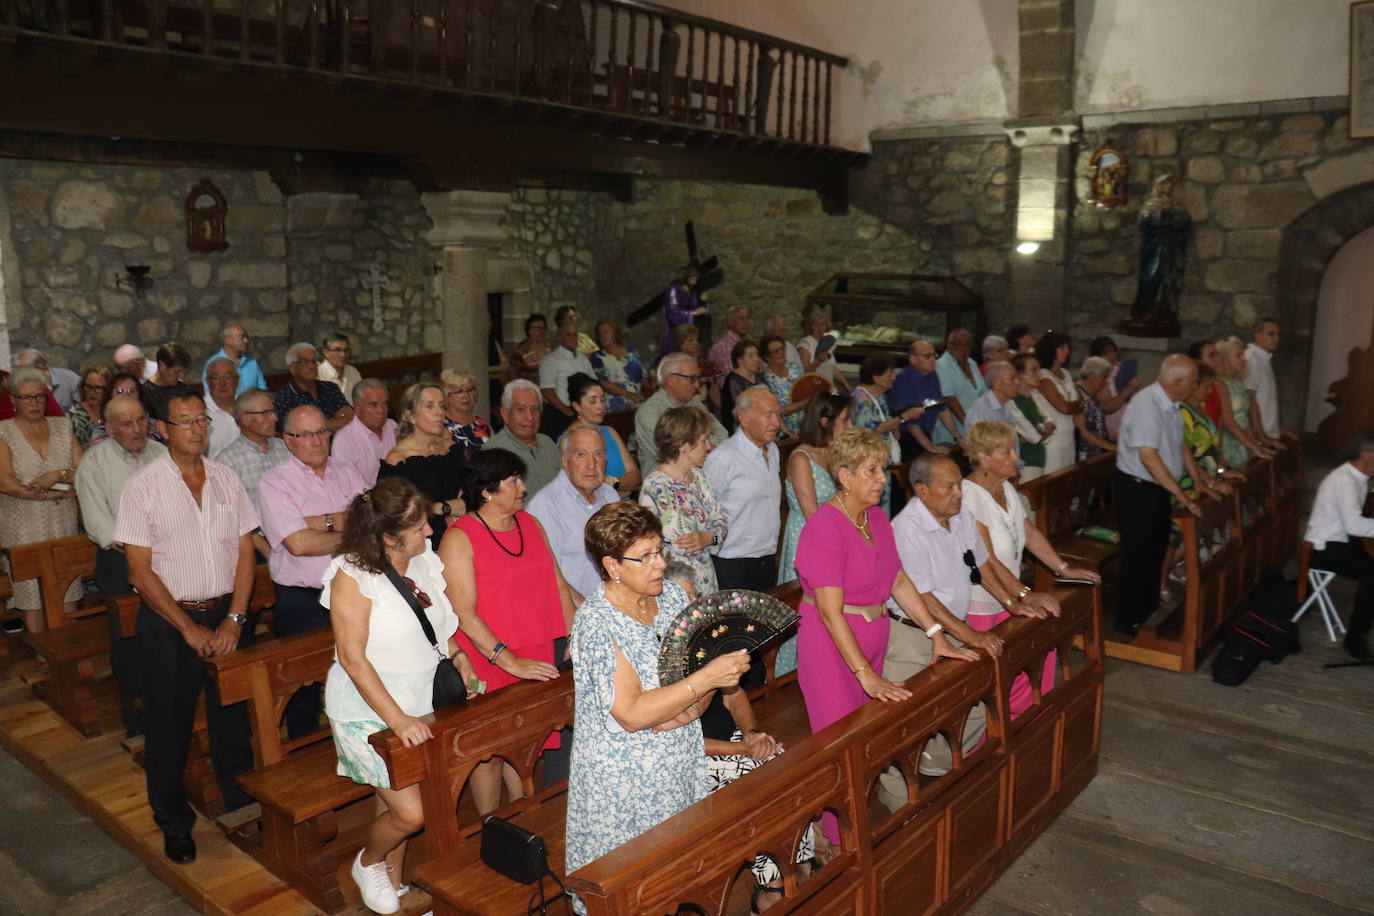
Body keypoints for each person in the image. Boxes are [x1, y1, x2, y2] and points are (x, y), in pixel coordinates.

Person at [794, 429, 975, 847]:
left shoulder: (874, 517)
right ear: (844, 475)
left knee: (869, 742)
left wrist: (935, 633)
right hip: (831, 649)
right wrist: (864, 675)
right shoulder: (825, 527)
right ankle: (837, 846)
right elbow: (827, 610)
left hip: (872, 638)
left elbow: (897, 579)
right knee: (843, 747)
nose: (880, 478)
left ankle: (851, 827)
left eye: (881, 468)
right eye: (870, 470)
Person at [565, 501, 750, 872]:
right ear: (612, 565)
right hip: (627, 781)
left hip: (679, 763)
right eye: (645, 557)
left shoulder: (671, 598)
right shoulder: (597, 625)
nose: (661, 564)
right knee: (632, 886)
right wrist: (706, 680)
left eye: (659, 550)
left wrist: (690, 707)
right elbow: (631, 714)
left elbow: (692, 681)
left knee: (679, 876)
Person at [113, 392, 257, 865]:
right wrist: (188, 630)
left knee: (232, 720)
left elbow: (244, 553)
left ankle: (240, 806)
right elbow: (139, 572)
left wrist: (235, 618)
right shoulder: (144, 487)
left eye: (202, 420)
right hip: (167, 621)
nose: (196, 429)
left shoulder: (226, 479)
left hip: (225, 614)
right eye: (185, 422)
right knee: (168, 726)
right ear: (162, 429)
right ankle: (174, 823)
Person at [323, 477, 477, 915]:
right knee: (412, 813)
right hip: (366, 712)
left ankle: (397, 886)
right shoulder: (352, 576)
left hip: (419, 701)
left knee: (392, 795)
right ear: (388, 537)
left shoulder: (424, 560)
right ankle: (367, 862)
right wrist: (397, 720)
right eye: (418, 528)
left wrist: (460, 655)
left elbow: (437, 627)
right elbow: (353, 660)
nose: (429, 533)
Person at [439, 448, 577, 811]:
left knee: (529, 740)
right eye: (513, 480)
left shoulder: (530, 524)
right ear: (487, 490)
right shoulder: (459, 537)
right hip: (489, 656)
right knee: (491, 752)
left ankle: (525, 817)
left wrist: (572, 635)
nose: (523, 487)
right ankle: (491, 823)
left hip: (535, 648)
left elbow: (558, 584)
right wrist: (510, 661)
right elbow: (463, 615)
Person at [961, 422, 1100, 716]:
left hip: (1009, 595)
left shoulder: (1007, 488)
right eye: (1007, 452)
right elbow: (988, 559)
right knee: (998, 681)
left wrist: (1064, 569)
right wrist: (1024, 594)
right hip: (982, 604)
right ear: (984, 458)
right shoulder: (970, 496)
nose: (1016, 457)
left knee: (1030, 661)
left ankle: (1029, 729)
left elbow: (1030, 534)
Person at [259, 405, 369, 739]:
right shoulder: (274, 483)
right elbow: (299, 544)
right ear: (288, 441)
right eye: (306, 435)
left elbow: (370, 524)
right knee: (303, 687)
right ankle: (305, 756)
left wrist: (320, 522)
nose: (318, 441)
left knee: (363, 671)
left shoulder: (348, 472)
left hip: (355, 591)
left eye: (322, 431)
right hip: (304, 600)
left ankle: (364, 741)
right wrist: (343, 523)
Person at [74, 395, 166, 736]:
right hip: (121, 562)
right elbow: (101, 525)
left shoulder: (162, 455)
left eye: (142, 420)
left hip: (169, 559)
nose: (137, 429)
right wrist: (147, 547)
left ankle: (173, 706)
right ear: (109, 428)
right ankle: (136, 718)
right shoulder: (94, 464)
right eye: (126, 424)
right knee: (130, 642)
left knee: (170, 634)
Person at [1114, 355, 1203, 637]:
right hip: (1138, 489)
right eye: (1193, 380)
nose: (1196, 385)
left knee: (1155, 552)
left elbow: (1179, 445)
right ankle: (1128, 621)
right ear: (1177, 381)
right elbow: (1148, 456)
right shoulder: (1147, 404)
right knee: (1138, 555)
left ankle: (1148, 611)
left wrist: (1201, 481)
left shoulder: (1172, 404)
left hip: (1156, 490)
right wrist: (1181, 494)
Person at [0, 367, 83, 634]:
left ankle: (68, 650)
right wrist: (51, 493)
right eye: (26, 398)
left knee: (66, 586)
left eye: (39, 397)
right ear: (12, 400)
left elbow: (83, 470)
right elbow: (6, 482)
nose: (34, 403)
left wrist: (56, 475)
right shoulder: (4, 433)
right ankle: (42, 656)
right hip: (23, 524)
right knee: (31, 593)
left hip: (62, 521)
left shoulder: (62, 426)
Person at [773, 393, 852, 676]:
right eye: (845, 419)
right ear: (824, 421)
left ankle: (825, 668)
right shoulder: (800, 458)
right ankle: (788, 675)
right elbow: (812, 513)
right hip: (808, 538)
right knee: (803, 612)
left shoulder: (836, 454)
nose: (850, 424)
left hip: (834, 536)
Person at [639, 406, 728, 594]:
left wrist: (707, 538)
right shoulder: (654, 487)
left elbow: (721, 524)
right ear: (683, 446)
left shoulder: (700, 477)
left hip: (706, 578)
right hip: (675, 587)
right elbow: (648, 547)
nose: (709, 446)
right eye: (703, 440)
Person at [704, 387, 783, 591]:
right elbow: (704, 510)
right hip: (732, 564)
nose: (776, 422)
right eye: (768, 415)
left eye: (778, 414)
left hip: (766, 559)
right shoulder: (723, 458)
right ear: (745, 418)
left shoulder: (773, 451)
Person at [527, 426, 620, 598]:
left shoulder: (610, 495)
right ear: (565, 461)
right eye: (581, 455)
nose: (592, 465)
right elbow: (548, 578)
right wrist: (588, 615)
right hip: (577, 613)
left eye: (598, 454)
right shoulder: (545, 506)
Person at [1305, 431, 1374, 660]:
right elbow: (1354, 526)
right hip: (1322, 549)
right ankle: (1355, 637)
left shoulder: (1356, 475)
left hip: (1338, 542)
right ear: (1366, 454)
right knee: (1371, 572)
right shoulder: (1345, 481)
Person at [378, 383, 467, 549]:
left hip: (463, 535)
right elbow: (396, 516)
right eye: (429, 406)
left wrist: (440, 508)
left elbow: (473, 497)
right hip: (423, 546)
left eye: (442, 406)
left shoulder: (451, 449)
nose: (439, 412)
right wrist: (451, 508)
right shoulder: (398, 461)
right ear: (410, 415)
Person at [851, 355, 926, 513]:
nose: (893, 378)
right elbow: (872, 431)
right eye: (889, 374)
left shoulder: (881, 397)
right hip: (867, 461)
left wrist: (896, 425)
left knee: (883, 509)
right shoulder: (861, 398)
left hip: (882, 461)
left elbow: (888, 426)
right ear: (876, 377)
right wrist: (905, 417)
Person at [634, 353, 728, 469]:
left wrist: (702, 446)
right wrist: (711, 448)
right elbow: (671, 454)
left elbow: (722, 434)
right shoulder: (649, 412)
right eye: (692, 379)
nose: (697, 385)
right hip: (666, 483)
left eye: (697, 379)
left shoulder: (694, 403)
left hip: (704, 474)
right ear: (671, 379)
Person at [1127, 173, 1191, 331]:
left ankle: (1164, 312)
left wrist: (1172, 215)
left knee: (1168, 282)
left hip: (1171, 250)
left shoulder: (1177, 205)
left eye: (1169, 184)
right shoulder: (1150, 205)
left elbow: (1185, 222)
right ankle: (1145, 311)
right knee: (1151, 278)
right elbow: (1143, 224)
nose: (1167, 187)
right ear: (1157, 186)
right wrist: (1159, 214)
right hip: (1154, 249)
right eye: (1163, 184)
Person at [214, 388, 289, 518]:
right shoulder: (227, 462)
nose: (275, 418)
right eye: (266, 413)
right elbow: (227, 516)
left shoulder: (286, 447)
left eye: (273, 412)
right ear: (245, 419)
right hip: (257, 535)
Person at [482, 379, 561, 497]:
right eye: (521, 409)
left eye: (535, 409)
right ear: (505, 414)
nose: (530, 417)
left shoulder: (547, 442)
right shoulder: (493, 452)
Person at [566, 372, 639, 497]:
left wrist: (611, 482)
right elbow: (581, 491)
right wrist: (620, 489)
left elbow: (635, 476)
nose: (600, 406)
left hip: (625, 507)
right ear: (577, 406)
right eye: (593, 401)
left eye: (602, 400)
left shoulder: (610, 431)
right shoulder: (568, 439)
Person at [890, 339, 957, 458]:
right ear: (913, 358)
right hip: (906, 438)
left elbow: (941, 407)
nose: (933, 360)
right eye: (927, 356)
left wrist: (957, 436)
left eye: (934, 355)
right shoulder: (903, 380)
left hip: (925, 435)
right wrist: (929, 446)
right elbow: (911, 421)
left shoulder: (932, 375)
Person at [1215, 336, 1275, 470]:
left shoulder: (1237, 383)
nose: (1244, 358)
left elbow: (1244, 420)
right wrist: (1254, 447)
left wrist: (1256, 446)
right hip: (1227, 444)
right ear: (1225, 358)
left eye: (1243, 354)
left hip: (1242, 441)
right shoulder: (1219, 384)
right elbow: (1229, 423)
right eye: (1238, 355)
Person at [273, 342, 354, 432]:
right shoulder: (284, 397)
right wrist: (335, 423)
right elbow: (294, 431)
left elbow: (350, 417)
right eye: (305, 362)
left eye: (313, 361)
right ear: (292, 368)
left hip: (339, 441)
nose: (311, 366)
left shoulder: (330, 388)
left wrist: (322, 425)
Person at [332, 379, 398, 488]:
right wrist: (371, 499)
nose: (381, 411)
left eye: (384, 404)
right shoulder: (344, 440)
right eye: (373, 405)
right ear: (357, 408)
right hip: (366, 500)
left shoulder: (393, 427)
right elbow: (349, 489)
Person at [1034, 332, 1083, 474]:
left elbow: (1078, 404)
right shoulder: (1043, 376)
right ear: (1050, 350)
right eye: (1062, 348)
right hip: (1054, 439)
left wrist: (1076, 405)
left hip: (1069, 436)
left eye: (1067, 347)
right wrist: (1078, 405)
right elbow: (1063, 408)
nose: (1067, 351)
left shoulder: (1066, 373)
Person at [539, 321, 595, 439]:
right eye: (568, 335)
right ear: (559, 338)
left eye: (575, 335)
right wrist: (567, 412)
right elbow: (547, 390)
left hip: (583, 412)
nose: (573, 338)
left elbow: (593, 384)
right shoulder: (551, 360)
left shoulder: (583, 359)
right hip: (560, 413)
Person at [934, 328, 986, 446]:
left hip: (976, 433)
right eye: (956, 344)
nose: (961, 348)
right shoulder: (942, 365)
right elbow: (950, 400)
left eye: (966, 344)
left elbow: (983, 395)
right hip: (951, 435)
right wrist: (970, 426)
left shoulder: (972, 363)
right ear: (949, 345)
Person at [1006, 353, 1054, 481]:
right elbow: (1033, 436)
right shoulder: (1013, 401)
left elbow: (1051, 423)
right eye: (1034, 370)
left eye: (1039, 369)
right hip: (1024, 462)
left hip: (1038, 458)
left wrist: (1040, 429)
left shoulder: (1034, 396)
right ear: (1020, 374)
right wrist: (1042, 430)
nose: (1040, 374)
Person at [587, 319, 646, 411]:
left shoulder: (632, 353)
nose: (603, 336)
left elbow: (643, 377)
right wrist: (627, 394)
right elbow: (602, 382)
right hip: (615, 407)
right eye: (600, 334)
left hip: (638, 404)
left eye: (606, 332)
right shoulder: (597, 357)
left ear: (615, 333)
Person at [1244, 317, 1286, 446]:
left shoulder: (1263, 358)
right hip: (1261, 435)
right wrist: (1261, 436)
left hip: (1268, 431)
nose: (1277, 339)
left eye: (1278, 334)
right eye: (1271, 334)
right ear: (1257, 335)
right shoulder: (1252, 358)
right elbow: (1249, 400)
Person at [1088, 336, 1141, 437]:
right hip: (1113, 430)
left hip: (1131, 425)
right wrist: (1129, 390)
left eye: (1113, 352)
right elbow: (1106, 408)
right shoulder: (1099, 377)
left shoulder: (1121, 369)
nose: (1111, 356)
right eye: (1105, 354)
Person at [759, 334, 806, 438]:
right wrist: (803, 404)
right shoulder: (765, 380)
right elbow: (776, 411)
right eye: (776, 351)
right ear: (766, 356)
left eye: (782, 349)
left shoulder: (795, 369)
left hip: (806, 428)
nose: (781, 353)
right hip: (784, 433)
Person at [439, 368, 493, 456]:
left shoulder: (482, 423)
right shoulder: (440, 427)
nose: (466, 396)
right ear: (447, 397)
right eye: (459, 391)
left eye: (469, 390)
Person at [203, 322, 267, 394]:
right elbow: (211, 396)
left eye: (246, 337)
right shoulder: (213, 364)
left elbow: (263, 392)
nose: (246, 341)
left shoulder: (252, 362)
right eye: (242, 337)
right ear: (228, 340)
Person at [659, 268, 710, 357]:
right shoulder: (673, 289)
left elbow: (700, 309)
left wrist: (703, 302)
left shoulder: (693, 292)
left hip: (690, 329)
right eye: (691, 276)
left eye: (695, 277)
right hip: (676, 329)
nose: (694, 278)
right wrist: (692, 313)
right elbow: (673, 312)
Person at [1075, 356, 1118, 460]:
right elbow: (1082, 431)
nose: (1107, 382)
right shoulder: (1077, 394)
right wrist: (1111, 446)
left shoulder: (1093, 395)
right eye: (1104, 377)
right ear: (1091, 376)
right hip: (1084, 455)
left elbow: (1096, 421)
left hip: (1097, 453)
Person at [719, 337, 763, 434]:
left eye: (757, 355)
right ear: (739, 360)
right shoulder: (732, 380)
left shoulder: (760, 377)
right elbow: (739, 412)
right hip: (740, 430)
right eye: (751, 356)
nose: (756, 359)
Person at [142, 342, 193, 422]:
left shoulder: (182, 388)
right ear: (162, 366)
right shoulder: (145, 394)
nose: (181, 376)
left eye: (183, 372)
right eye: (177, 372)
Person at [202, 356, 241, 458]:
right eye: (215, 378)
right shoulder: (200, 413)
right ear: (207, 382)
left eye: (228, 377)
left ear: (237, 380)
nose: (222, 384)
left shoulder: (249, 408)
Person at [66, 362, 113, 448]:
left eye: (98, 388)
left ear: (109, 389)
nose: (92, 392)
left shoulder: (115, 412)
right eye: (88, 386)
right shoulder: (73, 416)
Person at [15, 349, 80, 409]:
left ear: (40, 369)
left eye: (24, 372)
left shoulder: (70, 379)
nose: (21, 377)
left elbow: (85, 409)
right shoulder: (20, 386)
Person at [964, 360, 1019, 430]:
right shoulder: (982, 410)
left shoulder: (1004, 404)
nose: (1018, 382)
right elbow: (979, 440)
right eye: (1011, 378)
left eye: (1017, 378)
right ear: (996, 382)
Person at [798, 311, 847, 388]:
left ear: (827, 327)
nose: (819, 327)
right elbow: (804, 374)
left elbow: (832, 368)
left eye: (822, 324)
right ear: (810, 327)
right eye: (815, 324)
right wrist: (818, 361)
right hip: (812, 390)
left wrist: (847, 386)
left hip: (828, 389)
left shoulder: (827, 342)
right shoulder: (806, 343)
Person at [707, 307, 750, 391]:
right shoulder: (723, 347)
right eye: (741, 319)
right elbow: (732, 381)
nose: (745, 322)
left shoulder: (750, 343)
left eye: (746, 319)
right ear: (731, 322)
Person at [317, 331, 362, 400]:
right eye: (337, 350)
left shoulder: (353, 372)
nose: (343, 355)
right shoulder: (318, 374)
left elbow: (361, 399)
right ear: (326, 352)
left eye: (346, 350)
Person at [511, 313, 551, 384]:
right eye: (538, 329)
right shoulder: (521, 350)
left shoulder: (549, 348)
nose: (541, 331)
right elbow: (514, 374)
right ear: (529, 330)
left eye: (543, 328)